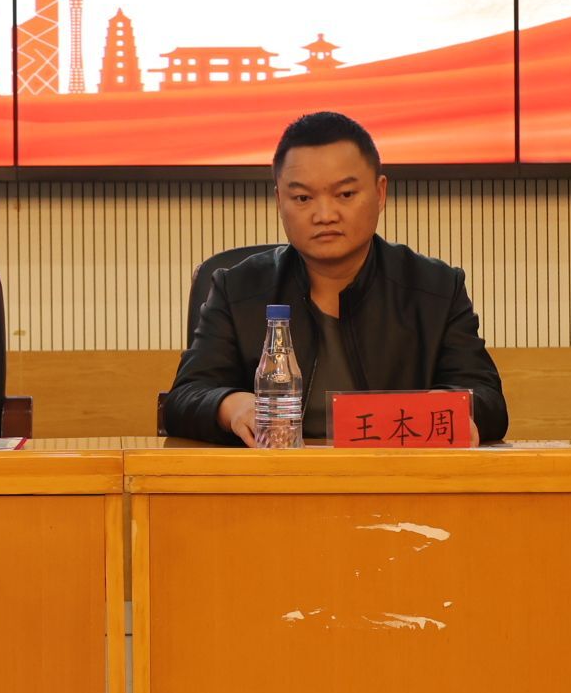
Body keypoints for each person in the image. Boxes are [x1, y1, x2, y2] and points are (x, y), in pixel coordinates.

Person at [165, 111, 509, 445]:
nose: (325, 215)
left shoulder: (436, 288)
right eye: (303, 198)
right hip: (276, 477)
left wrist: (441, 409)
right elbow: (185, 397)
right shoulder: (237, 289)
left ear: (380, 193)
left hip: (394, 476)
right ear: (279, 200)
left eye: (345, 194)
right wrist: (232, 406)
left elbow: (488, 401)